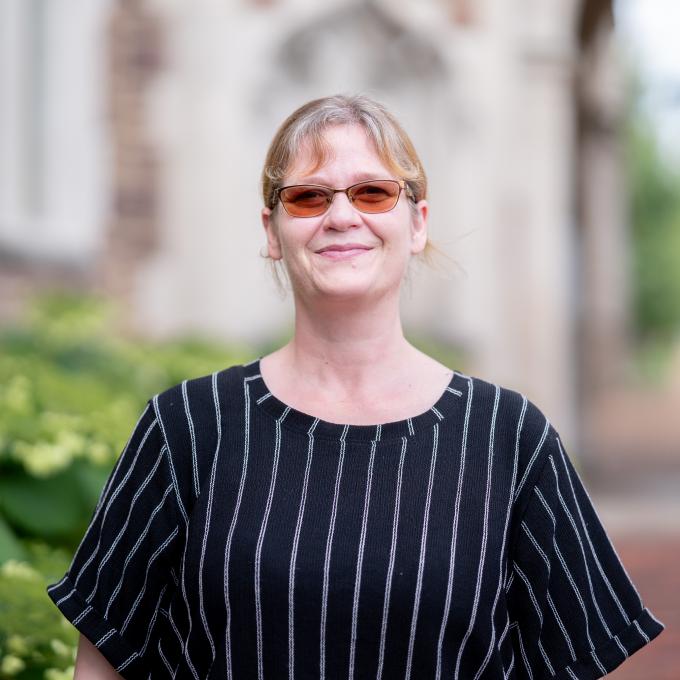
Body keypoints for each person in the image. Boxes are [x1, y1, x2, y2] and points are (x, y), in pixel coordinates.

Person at [47, 94, 664, 679]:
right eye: (309, 198)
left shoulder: (509, 438)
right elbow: (105, 657)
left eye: (372, 192)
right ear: (272, 231)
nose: (342, 216)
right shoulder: (186, 427)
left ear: (417, 222)